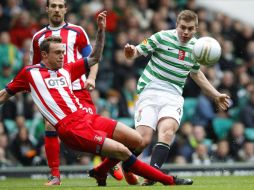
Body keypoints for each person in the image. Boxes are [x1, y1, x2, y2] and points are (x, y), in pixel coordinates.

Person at [0, 13, 193, 187]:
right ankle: (169, 181)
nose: (63, 56)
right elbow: (5, 94)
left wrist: (101, 31)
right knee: (123, 152)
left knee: (137, 140)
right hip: (71, 128)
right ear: (44, 55)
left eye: (63, 52)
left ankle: (100, 171)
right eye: (58, 53)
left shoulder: (66, 69)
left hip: (86, 116)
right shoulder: (29, 73)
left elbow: (93, 57)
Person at [124, 9, 230, 185]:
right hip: (150, 89)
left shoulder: (197, 48)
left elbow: (196, 74)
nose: (186, 32)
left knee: (167, 132)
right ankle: (124, 165)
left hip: (173, 94)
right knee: (143, 140)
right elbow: (137, 51)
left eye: (190, 28)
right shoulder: (162, 37)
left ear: (196, 29)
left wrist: (216, 94)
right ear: (177, 25)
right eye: (183, 27)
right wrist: (130, 52)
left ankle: (152, 175)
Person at [30, 0, 122, 185]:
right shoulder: (38, 37)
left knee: (93, 129)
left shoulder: (77, 31)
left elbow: (93, 58)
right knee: (49, 125)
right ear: (47, 9)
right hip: (55, 92)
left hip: (78, 89)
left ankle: (108, 160)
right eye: (53, 6)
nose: (56, 9)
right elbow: (36, 68)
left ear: (65, 9)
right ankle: (55, 175)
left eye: (60, 6)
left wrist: (92, 78)